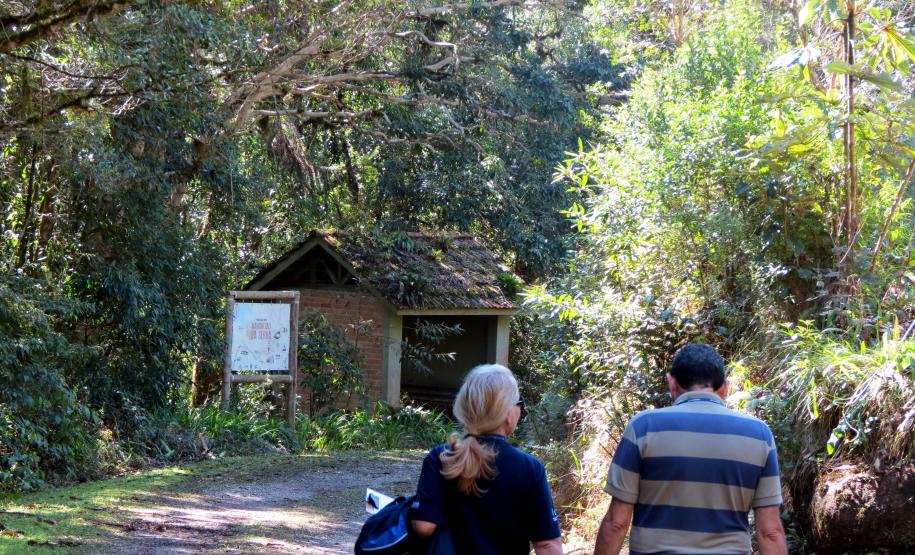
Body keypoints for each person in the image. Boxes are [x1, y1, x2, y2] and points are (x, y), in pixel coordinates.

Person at [595, 343, 787, 555]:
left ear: (672, 382)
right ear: (725, 387)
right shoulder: (758, 435)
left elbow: (616, 523)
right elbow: (770, 531)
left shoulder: (643, 427)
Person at [411, 364, 563, 555]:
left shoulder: (441, 457)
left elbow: (423, 526)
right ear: (507, 413)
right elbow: (547, 546)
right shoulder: (529, 468)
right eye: (519, 402)